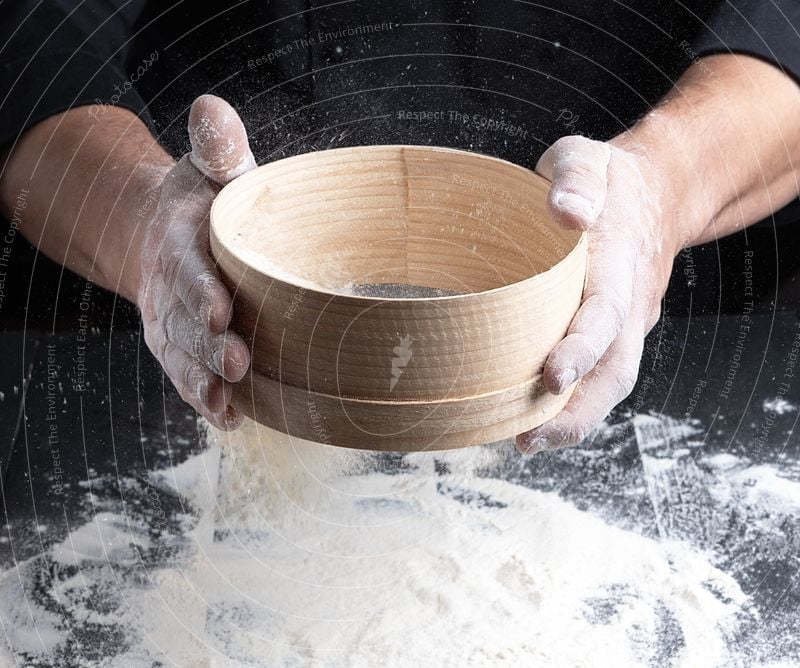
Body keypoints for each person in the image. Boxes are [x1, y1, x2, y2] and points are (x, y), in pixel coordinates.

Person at [1, 1, 799, 452]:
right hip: (190, 343)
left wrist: (664, 184)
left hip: (661, 335)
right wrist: (142, 222)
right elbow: (29, 38)